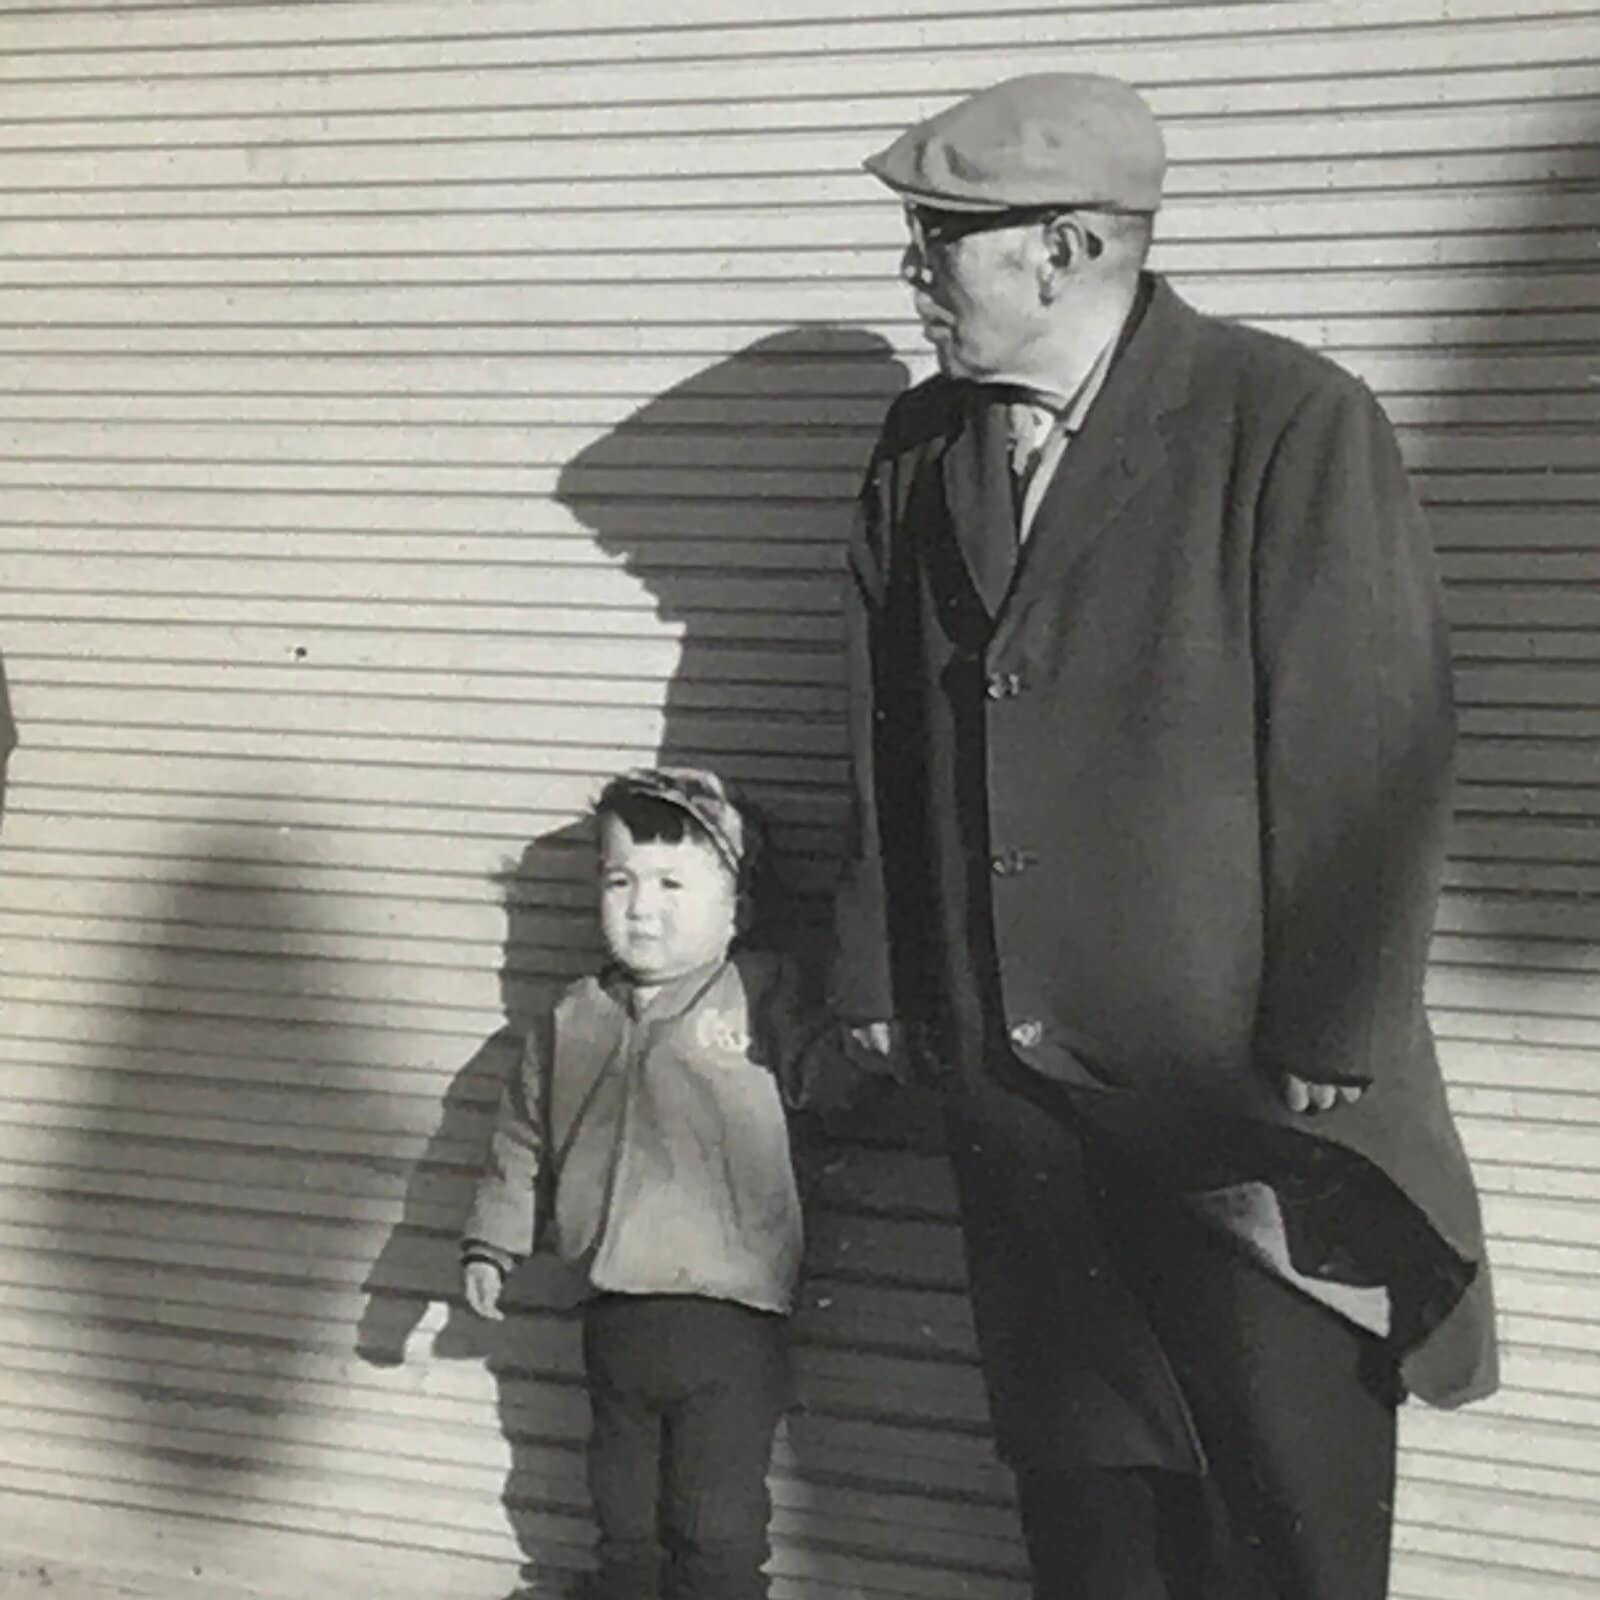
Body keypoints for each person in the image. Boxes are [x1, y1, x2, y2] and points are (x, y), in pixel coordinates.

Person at [831, 72, 1498, 1600]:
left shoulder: (1287, 420)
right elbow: (877, 727)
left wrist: (1332, 1018)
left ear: (1062, 247)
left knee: (1285, 1520)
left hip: (1240, 1101)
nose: (910, 271)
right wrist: (883, 980)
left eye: (939, 237)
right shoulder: (923, 451)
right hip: (1020, 1104)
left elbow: (1371, 734)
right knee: (1095, 1522)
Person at [462, 766, 850, 1600]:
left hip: (730, 1319)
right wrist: (492, 1240)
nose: (641, 906)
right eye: (619, 879)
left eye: (673, 882)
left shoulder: (762, 992)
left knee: (717, 1523)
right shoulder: (574, 1017)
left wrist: (872, 1057)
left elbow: (830, 1079)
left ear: (737, 907)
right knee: (623, 1515)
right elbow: (522, 1134)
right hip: (612, 1317)